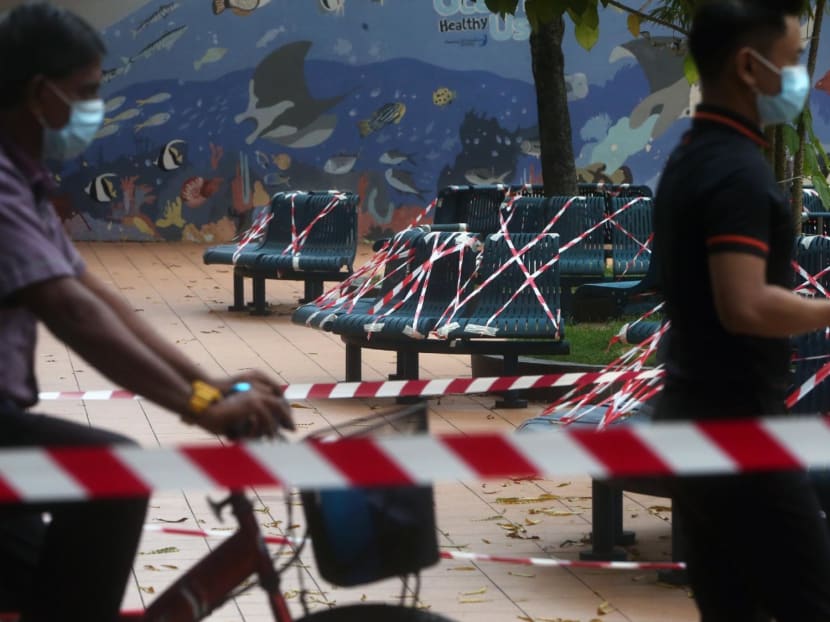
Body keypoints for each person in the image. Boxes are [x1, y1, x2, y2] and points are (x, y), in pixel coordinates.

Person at [0, 4, 294, 620]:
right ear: (39, 93)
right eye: (85, 91)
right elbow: (71, 312)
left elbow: (95, 296)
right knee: (119, 478)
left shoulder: (22, 181)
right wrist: (198, 406)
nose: (94, 106)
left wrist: (208, 384)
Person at [652, 1, 830, 620]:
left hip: (691, 417)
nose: (800, 76)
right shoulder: (737, 175)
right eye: (792, 60)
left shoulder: (691, 156)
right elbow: (746, 305)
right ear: (749, 67)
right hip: (738, 434)